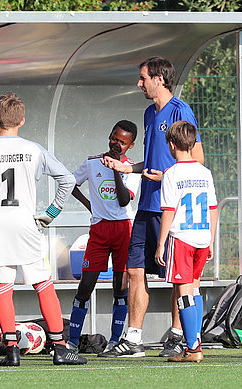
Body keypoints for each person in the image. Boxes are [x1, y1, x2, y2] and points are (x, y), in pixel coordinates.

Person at [0, 92, 86, 366]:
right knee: (42, 284)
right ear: (22, 120)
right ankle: (59, 348)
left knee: (2, 286)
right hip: (26, 223)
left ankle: (11, 350)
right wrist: (52, 211)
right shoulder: (34, 149)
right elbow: (67, 180)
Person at [102, 57, 204, 358]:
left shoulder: (180, 111)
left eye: (143, 78)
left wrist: (167, 176)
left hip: (171, 206)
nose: (139, 83)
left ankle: (176, 336)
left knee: (177, 276)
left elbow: (196, 160)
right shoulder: (149, 113)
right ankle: (133, 339)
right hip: (146, 205)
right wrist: (126, 168)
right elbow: (151, 163)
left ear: (159, 79)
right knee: (134, 270)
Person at [68, 120, 140, 354]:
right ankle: (72, 341)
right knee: (85, 285)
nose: (117, 144)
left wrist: (116, 169)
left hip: (123, 230)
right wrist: (89, 204)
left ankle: (114, 340)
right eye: (114, 138)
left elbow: (122, 200)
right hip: (99, 230)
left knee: (120, 286)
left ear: (130, 145)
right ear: (109, 136)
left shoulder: (132, 169)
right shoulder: (91, 162)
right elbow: (70, 183)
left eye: (123, 142)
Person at [155, 121, 217, 362]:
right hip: (202, 238)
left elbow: (168, 211)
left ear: (171, 145)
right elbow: (213, 208)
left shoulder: (171, 174)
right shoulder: (205, 172)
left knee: (183, 292)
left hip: (181, 238)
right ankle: (194, 343)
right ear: (192, 144)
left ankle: (193, 349)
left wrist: (161, 243)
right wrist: (210, 239)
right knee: (194, 287)